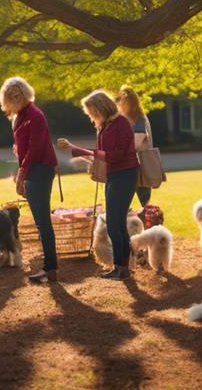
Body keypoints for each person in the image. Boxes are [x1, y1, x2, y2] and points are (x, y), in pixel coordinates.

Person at [58, 90, 139, 280]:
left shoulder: (122, 124)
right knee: (116, 224)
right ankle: (120, 267)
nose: (91, 115)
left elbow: (115, 155)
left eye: (92, 110)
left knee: (115, 223)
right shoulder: (104, 126)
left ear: (102, 106)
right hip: (114, 175)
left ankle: (122, 268)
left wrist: (79, 150)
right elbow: (103, 155)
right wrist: (75, 149)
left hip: (125, 174)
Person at [0, 77, 59, 284]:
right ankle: (48, 266)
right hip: (32, 170)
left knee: (43, 221)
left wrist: (21, 176)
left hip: (41, 169)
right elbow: (23, 148)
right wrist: (21, 170)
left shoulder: (35, 115)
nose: (15, 98)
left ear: (25, 93)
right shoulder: (19, 116)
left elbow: (35, 149)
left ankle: (50, 268)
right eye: (11, 95)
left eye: (18, 93)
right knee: (40, 222)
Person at [115, 85, 154, 208]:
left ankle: (148, 223)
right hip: (126, 165)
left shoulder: (139, 119)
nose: (120, 104)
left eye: (122, 101)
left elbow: (137, 142)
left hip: (140, 165)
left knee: (144, 204)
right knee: (123, 204)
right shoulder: (121, 119)